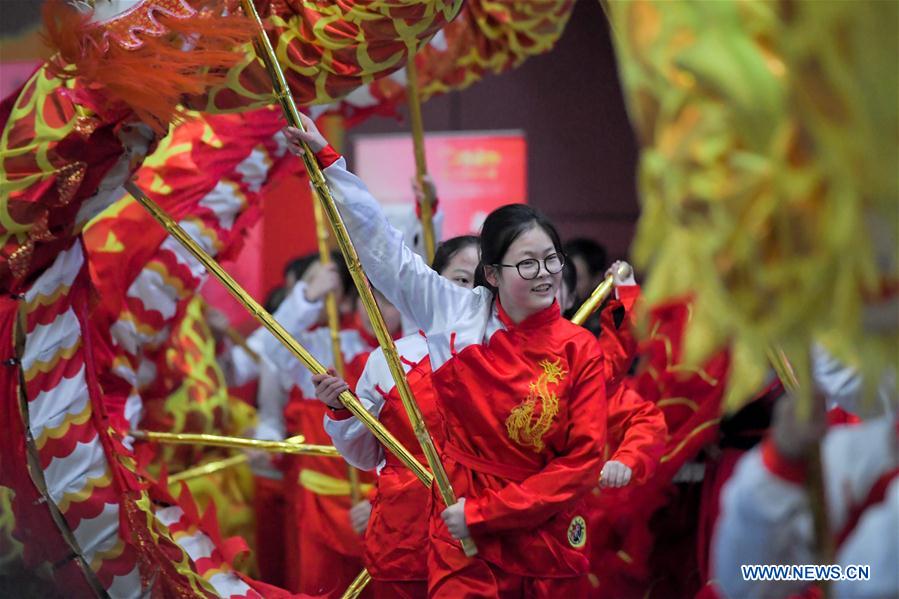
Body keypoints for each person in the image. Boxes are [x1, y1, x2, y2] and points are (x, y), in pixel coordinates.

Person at [284, 116, 608, 597]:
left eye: (551, 259)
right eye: (527, 264)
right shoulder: (456, 313)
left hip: (539, 538)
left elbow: (581, 461)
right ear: (492, 275)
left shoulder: (579, 347)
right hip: (461, 539)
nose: (545, 275)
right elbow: (384, 252)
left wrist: (489, 513)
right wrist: (330, 165)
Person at [313, 235, 480, 598]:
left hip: (486, 532)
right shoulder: (390, 357)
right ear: (433, 284)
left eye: (482, 281)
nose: (471, 292)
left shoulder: (515, 357)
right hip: (406, 534)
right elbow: (365, 454)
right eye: (461, 280)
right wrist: (342, 412)